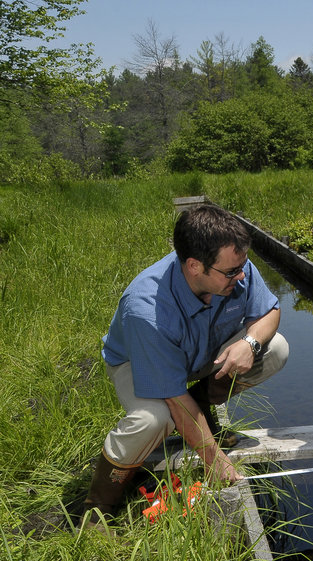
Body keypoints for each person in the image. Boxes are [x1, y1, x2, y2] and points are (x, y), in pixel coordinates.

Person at [83, 204, 289, 523]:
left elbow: (269, 312)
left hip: (198, 350)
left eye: (242, 266)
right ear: (194, 266)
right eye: (232, 272)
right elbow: (175, 399)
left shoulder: (235, 266)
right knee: (155, 419)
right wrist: (215, 460)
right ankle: (97, 507)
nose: (242, 276)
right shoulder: (146, 309)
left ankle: (203, 406)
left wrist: (249, 343)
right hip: (137, 361)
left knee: (274, 349)